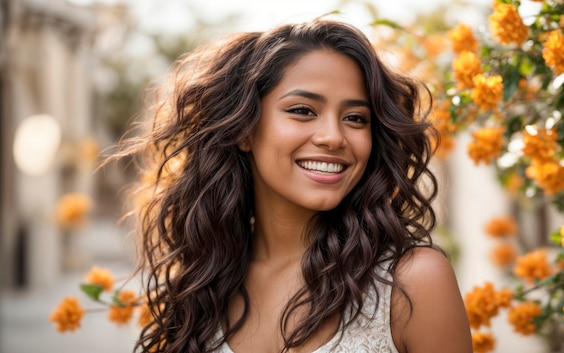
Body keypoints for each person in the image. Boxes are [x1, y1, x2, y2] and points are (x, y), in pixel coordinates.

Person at [118, 18, 472, 353]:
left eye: (355, 118)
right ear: (243, 129)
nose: (333, 137)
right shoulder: (202, 284)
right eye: (303, 110)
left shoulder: (412, 282)